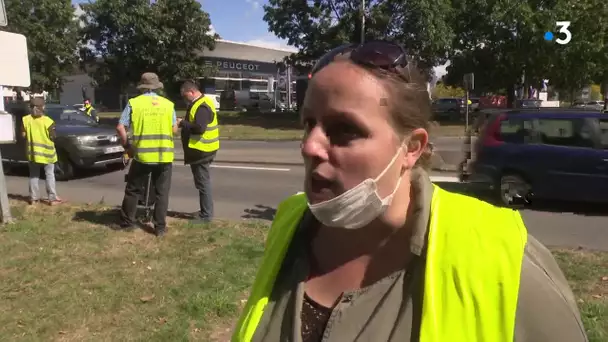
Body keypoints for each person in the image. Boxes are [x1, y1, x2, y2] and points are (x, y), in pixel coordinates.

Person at [232, 41, 588, 341]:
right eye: (309, 124)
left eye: (344, 130)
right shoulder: (291, 222)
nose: (310, 146)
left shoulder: (504, 260)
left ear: (412, 148)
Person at [115, 72, 177, 237]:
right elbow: (173, 129)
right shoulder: (168, 105)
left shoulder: (134, 103)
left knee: (133, 190)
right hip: (164, 156)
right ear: (157, 87)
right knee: (162, 192)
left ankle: (127, 222)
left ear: (142, 87)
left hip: (142, 155)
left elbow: (120, 127)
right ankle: (160, 228)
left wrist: (128, 145)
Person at [177, 80, 219, 223]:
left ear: (191, 92)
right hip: (202, 150)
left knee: (203, 183)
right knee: (202, 182)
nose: (184, 99)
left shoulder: (202, 106)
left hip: (202, 151)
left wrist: (182, 123)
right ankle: (205, 211)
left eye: (185, 95)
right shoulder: (199, 102)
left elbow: (200, 128)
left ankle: (206, 215)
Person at [22, 97, 65, 206]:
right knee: (49, 175)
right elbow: (53, 137)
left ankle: (33, 199)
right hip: (47, 155)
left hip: (33, 154)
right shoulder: (48, 121)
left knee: (33, 176)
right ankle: (52, 199)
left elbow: (23, 135)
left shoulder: (25, 120)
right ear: (43, 107)